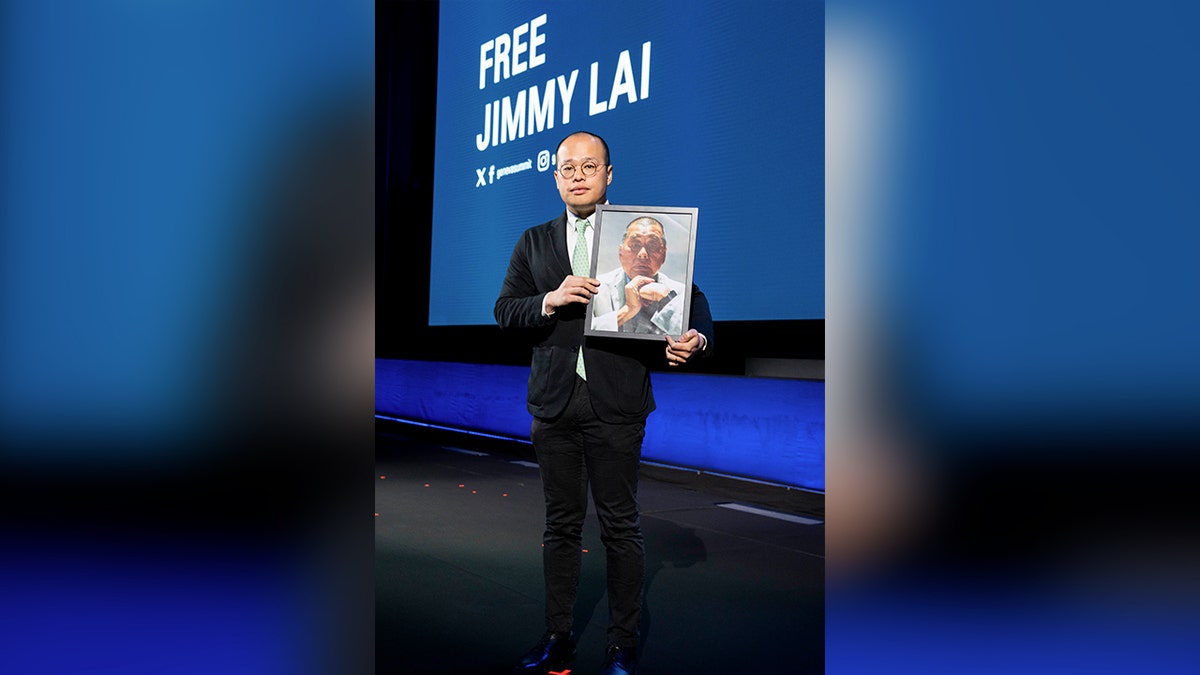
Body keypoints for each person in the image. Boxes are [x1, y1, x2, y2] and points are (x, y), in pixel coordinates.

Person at [494, 130, 713, 675]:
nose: (577, 175)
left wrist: (698, 337)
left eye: (588, 166)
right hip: (555, 405)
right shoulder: (534, 241)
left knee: (621, 527)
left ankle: (620, 642)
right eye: (567, 168)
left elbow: (695, 300)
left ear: (609, 175)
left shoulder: (638, 235)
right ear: (555, 176)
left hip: (618, 403)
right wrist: (550, 298)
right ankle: (557, 635)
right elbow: (504, 311)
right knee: (560, 526)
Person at [590, 216, 687, 336]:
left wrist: (665, 299)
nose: (643, 254)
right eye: (635, 245)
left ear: (664, 254)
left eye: (652, 246)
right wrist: (627, 310)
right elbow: (578, 332)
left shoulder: (682, 293)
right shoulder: (596, 287)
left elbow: (688, 339)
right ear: (620, 252)